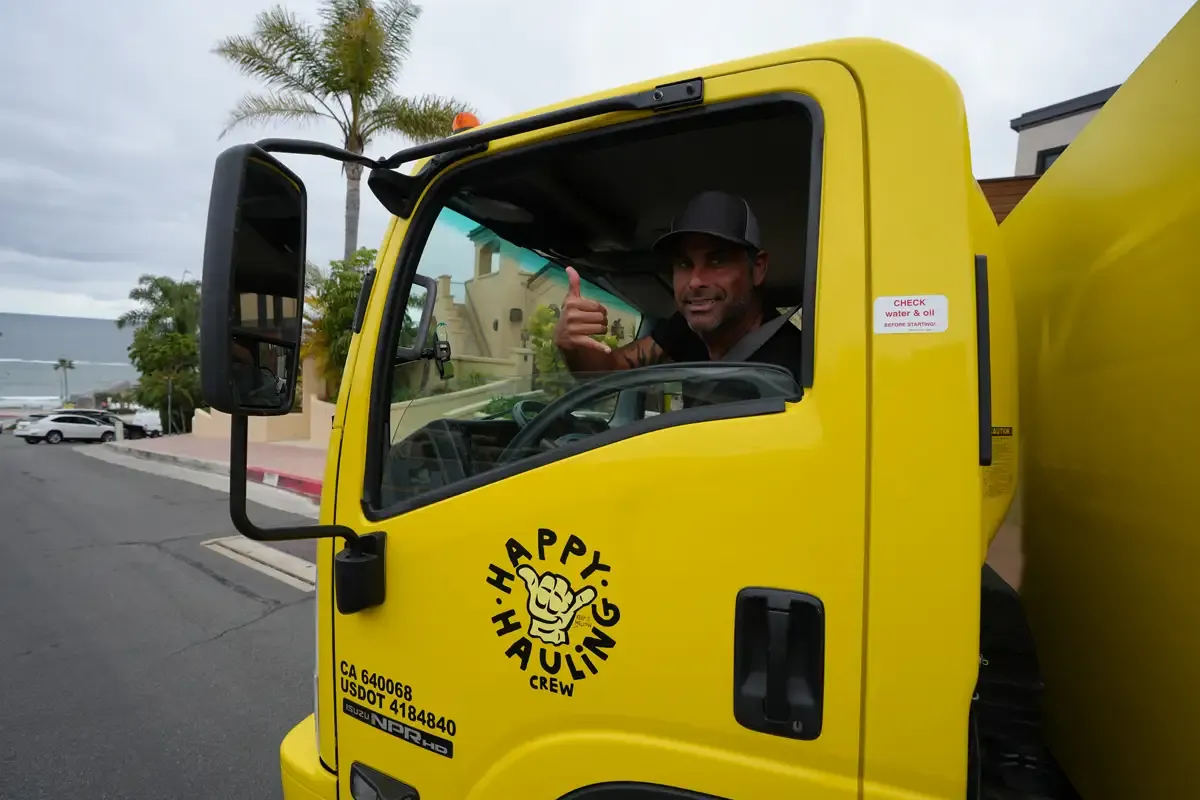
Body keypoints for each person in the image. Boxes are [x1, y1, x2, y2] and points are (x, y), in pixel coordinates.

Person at [553, 190, 804, 381]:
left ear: (757, 268)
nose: (695, 281)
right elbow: (610, 372)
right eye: (684, 264)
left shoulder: (795, 366)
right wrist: (573, 345)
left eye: (717, 261)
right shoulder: (685, 330)